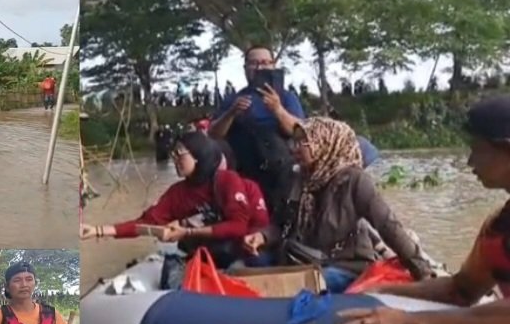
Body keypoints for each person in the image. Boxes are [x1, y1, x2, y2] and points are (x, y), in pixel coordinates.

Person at [336, 96, 510, 324]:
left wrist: (413, 322)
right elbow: (460, 291)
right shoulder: (498, 227)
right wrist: (380, 292)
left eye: (478, 149)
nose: (471, 162)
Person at [242, 117, 432, 292]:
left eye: (303, 143)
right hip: (302, 260)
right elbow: (281, 224)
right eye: (295, 142)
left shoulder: (354, 180)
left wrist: (423, 273)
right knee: (245, 268)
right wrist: (262, 237)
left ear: (325, 143)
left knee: (309, 285)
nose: (295, 148)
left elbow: (388, 226)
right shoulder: (299, 178)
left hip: (344, 266)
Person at [81, 132, 269, 269]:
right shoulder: (177, 193)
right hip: (207, 257)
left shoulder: (228, 180)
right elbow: (145, 223)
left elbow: (239, 226)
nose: (175, 159)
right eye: (173, 154)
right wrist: (98, 230)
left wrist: (187, 232)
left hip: (242, 254)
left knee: (243, 266)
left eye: (180, 153)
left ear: (198, 156)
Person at [209, 45, 306, 211]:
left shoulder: (286, 97)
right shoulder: (234, 98)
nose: (260, 67)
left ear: (273, 65)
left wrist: (278, 109)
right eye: (254, 63)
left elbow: (300, 133)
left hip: (282, 171)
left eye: (265, 63)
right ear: (245, 68)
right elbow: (213, 134)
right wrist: (231, 113)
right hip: (245, 171)